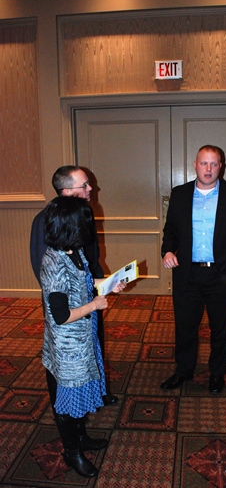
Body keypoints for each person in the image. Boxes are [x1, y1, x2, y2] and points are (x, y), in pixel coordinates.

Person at [40, 196, 126, 478]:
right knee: (66, 401)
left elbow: (86, 283)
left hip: (81, 339)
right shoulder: (55, 264)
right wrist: (94, 305)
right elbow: (60, 315)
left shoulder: (71, 251)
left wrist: (110, 284)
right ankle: (72, 452)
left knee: (80, 394)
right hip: (68, 347)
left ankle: (82, 438)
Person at [160, 144, 226, 393]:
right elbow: (170, 230)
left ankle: (217, 373)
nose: (209, 169)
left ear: (221, 166)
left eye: (214, 164)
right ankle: (183, 370)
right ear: (195, 165)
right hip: (187, 274)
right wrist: (167, 251)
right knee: (185, 326)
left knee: (220, 327)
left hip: (221, 274)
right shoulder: (180, 194)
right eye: (204, 163)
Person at [30, 165, 118, 405]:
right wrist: (81, 299)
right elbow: (46, 272)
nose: (91, 189)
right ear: (67, 191)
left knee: (92, 347)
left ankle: (93, 390)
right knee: (64, 361)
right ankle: (66, 410)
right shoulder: (46, 221)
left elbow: (91, 256)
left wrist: (100, 284)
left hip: (88, 295)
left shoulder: (81, 213)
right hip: (68, 305)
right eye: (85, 185)